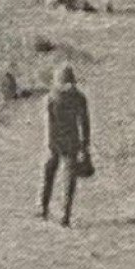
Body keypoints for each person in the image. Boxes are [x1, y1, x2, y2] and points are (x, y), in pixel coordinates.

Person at [40, 65, 92, 227]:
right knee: (68, 179)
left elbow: (49, 123)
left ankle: (44, 208)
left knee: (50, 173)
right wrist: (85, 146)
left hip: (56, 142)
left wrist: (49, 143)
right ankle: (65, 214)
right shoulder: (79, 98)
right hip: (71, 142)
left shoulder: (51, 97)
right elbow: (85, 123)